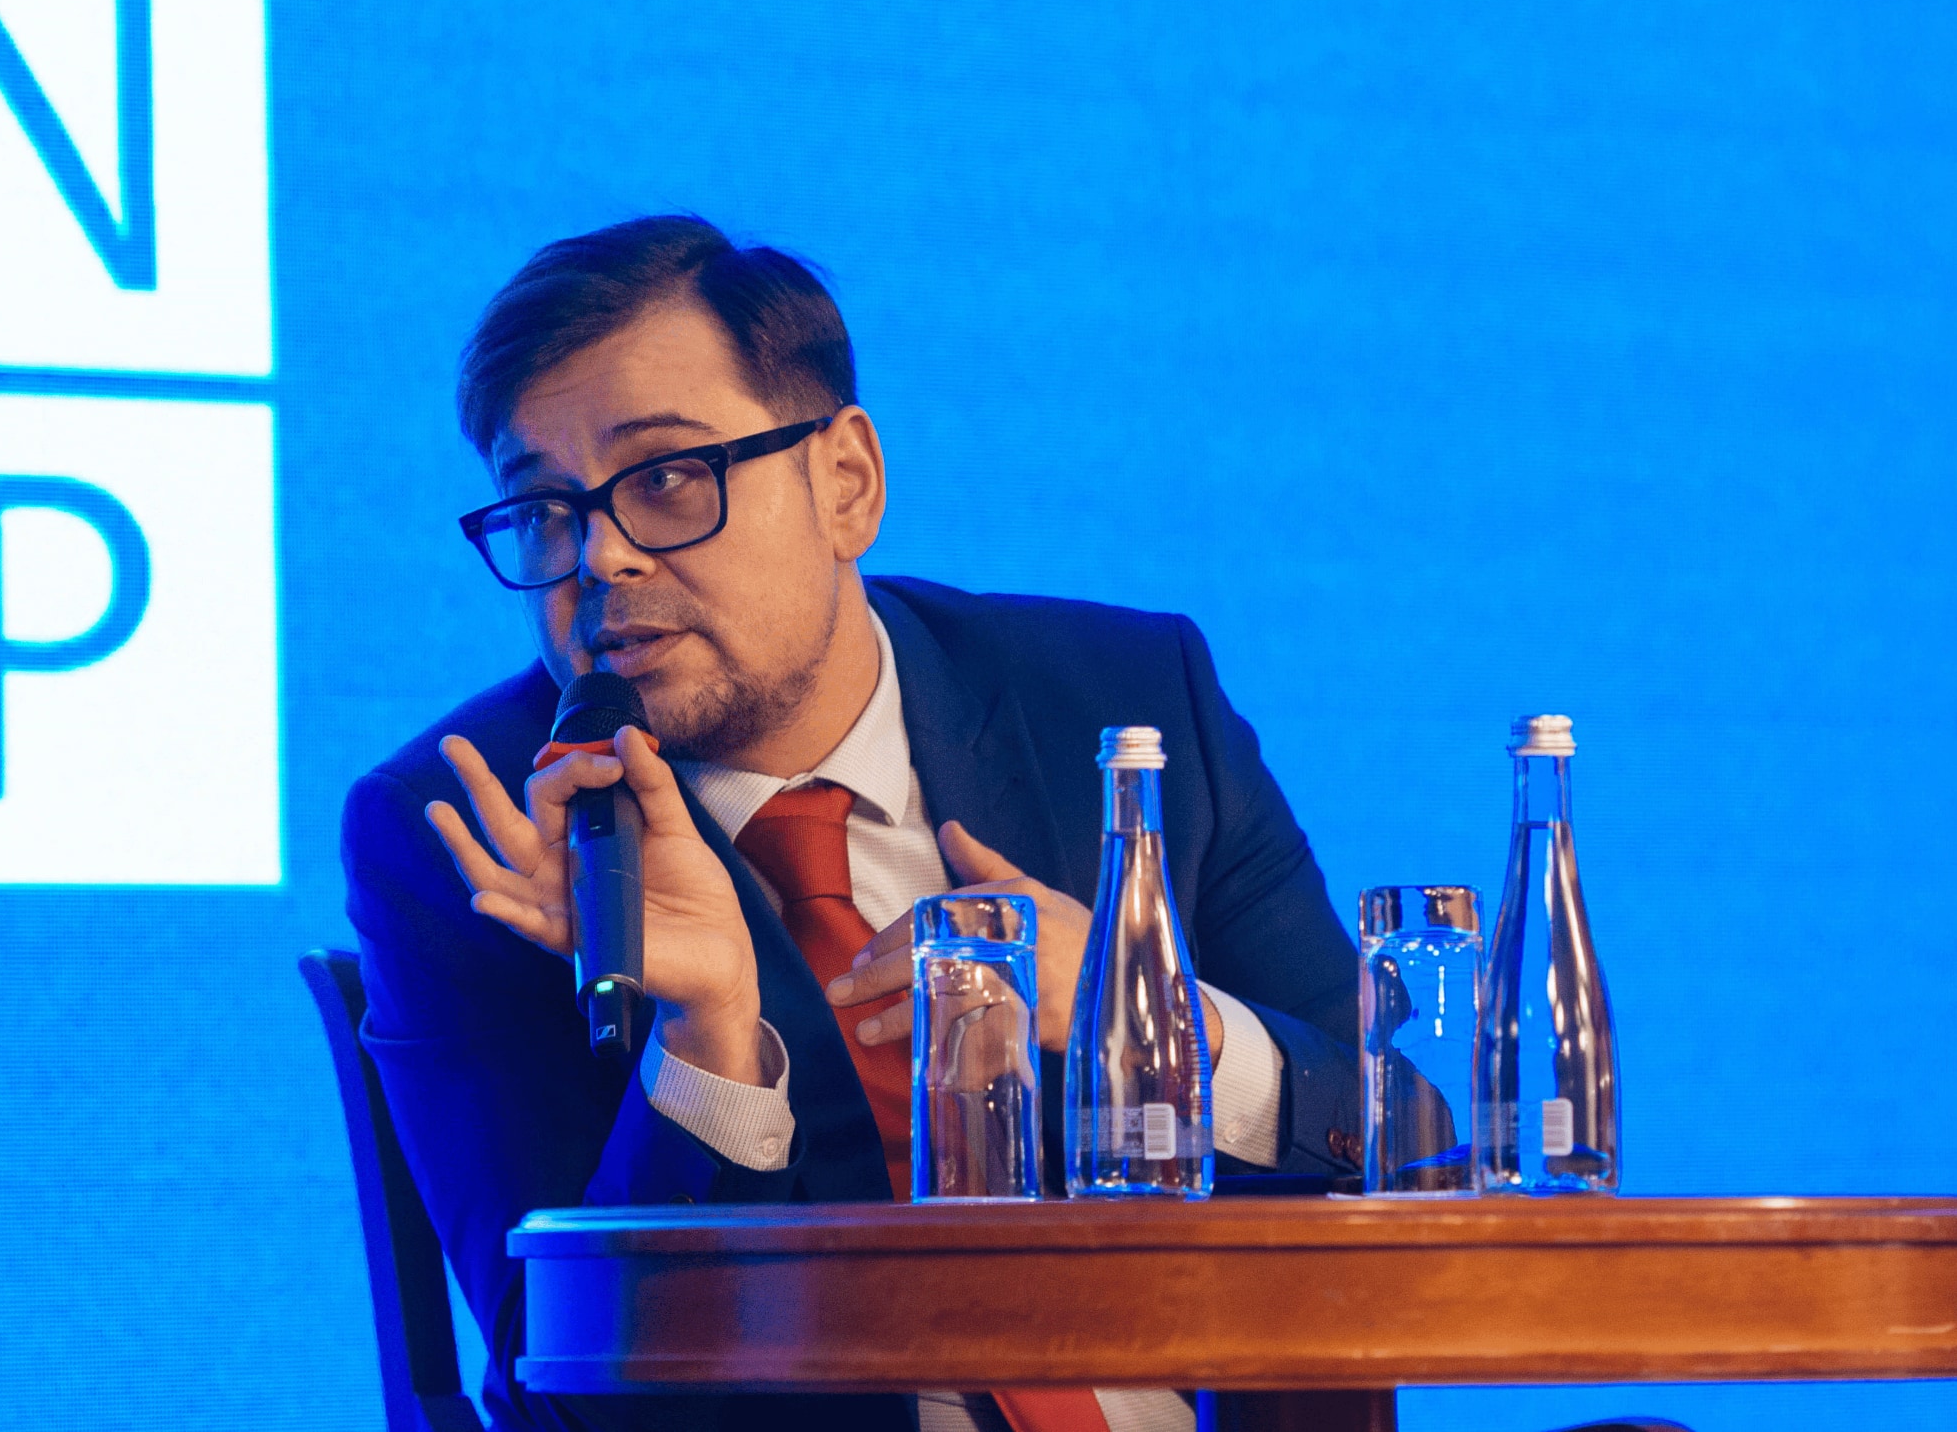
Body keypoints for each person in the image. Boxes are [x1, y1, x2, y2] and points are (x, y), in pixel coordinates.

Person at [342, 217, 1364, 1432]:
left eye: (665, 478)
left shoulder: (1127, 702)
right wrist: (707, 1042)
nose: (599, 558)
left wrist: (1150, 1026)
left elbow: (1391, 1131)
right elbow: (556, 1389)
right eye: (544, 511)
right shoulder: (463, 831)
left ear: (845, 483)